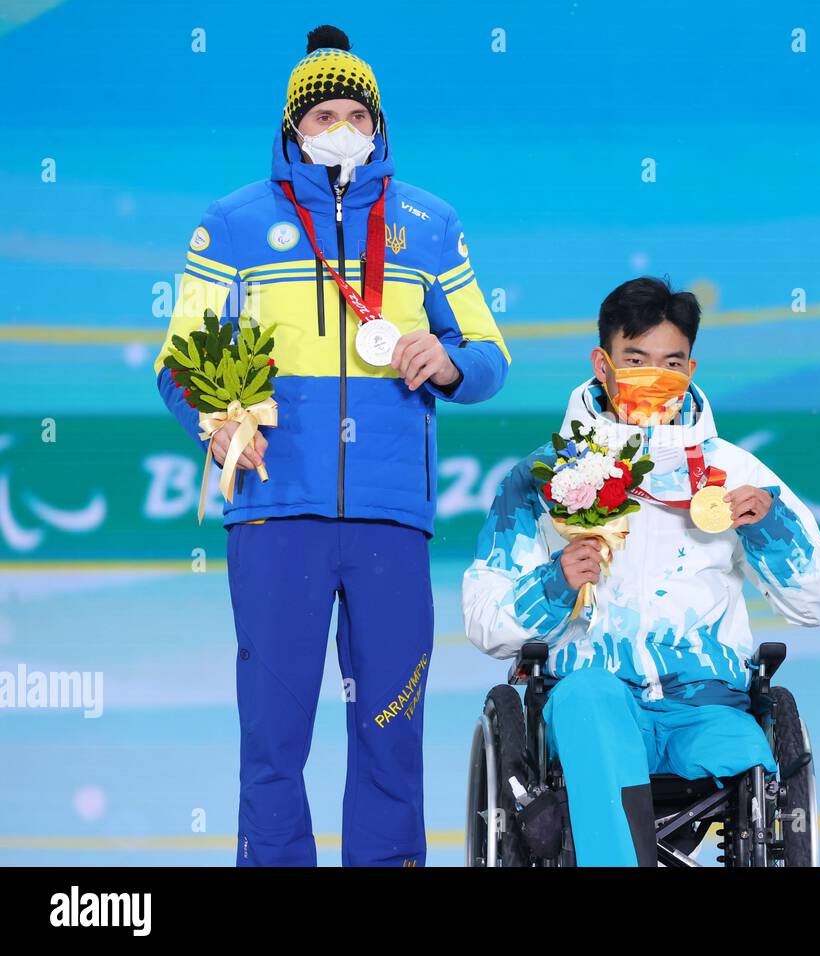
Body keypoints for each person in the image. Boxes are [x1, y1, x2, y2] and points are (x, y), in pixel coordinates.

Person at [152, 25, 510, 866]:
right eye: (324, 117)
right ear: (292, 130)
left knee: (392, 728)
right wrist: (221, 422)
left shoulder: (429, 223)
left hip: (390, 516)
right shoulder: (233, 224)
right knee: (273, 738)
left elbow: (491, 356)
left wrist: (450, 362)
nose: (340, 129)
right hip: (277, 512)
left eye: (356, 114)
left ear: (378, 126)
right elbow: (179, 364)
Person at [463, 277, 820, 866]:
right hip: (593, 701)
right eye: (635, 360)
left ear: (690, 369)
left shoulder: (733, 472)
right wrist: (555, 584)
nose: (651, 377)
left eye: (669, 363)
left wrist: (767, 530)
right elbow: (486, 625)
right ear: (603, 362)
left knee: (749, 754)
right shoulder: (542, 477)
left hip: (708, 704)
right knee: (591, 699)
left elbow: (819, 603)